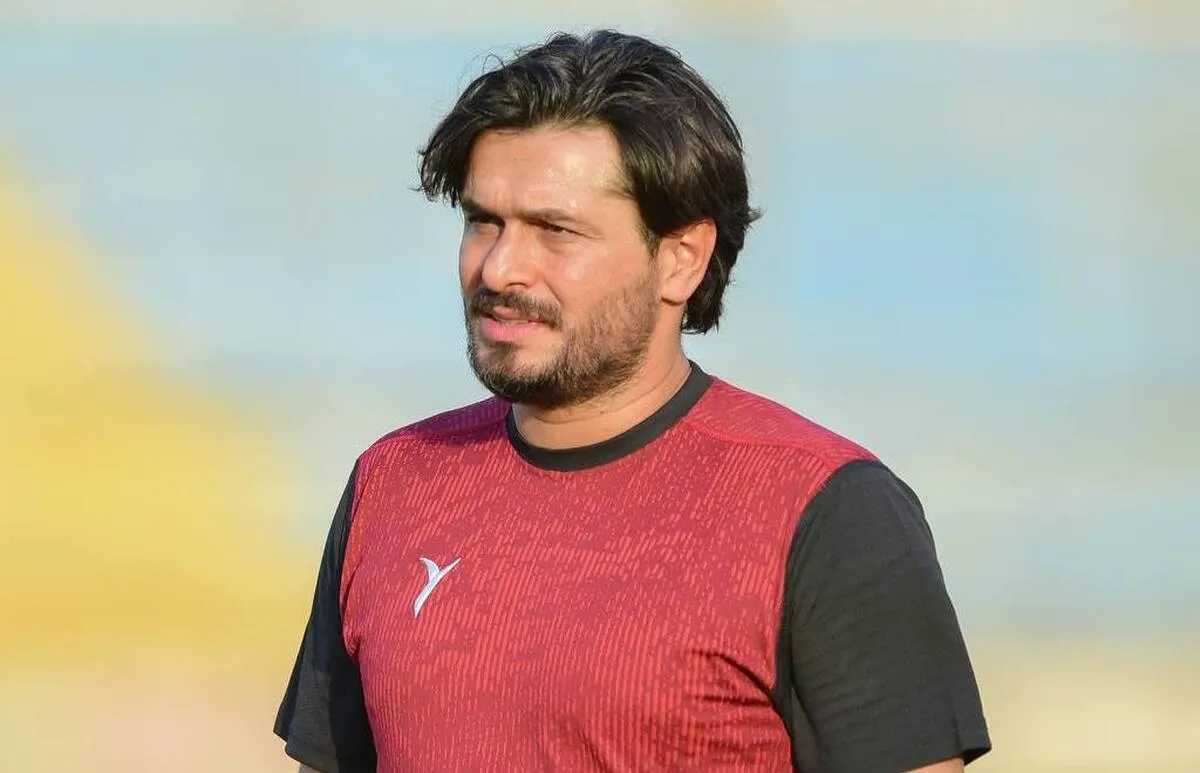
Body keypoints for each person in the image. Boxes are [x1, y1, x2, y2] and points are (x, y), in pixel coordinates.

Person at [274, 29, 991, 773]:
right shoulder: (394, 483)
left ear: (681, 258)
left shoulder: (827, 509)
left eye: (555, 230)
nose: (500, 267)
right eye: (484, 221)